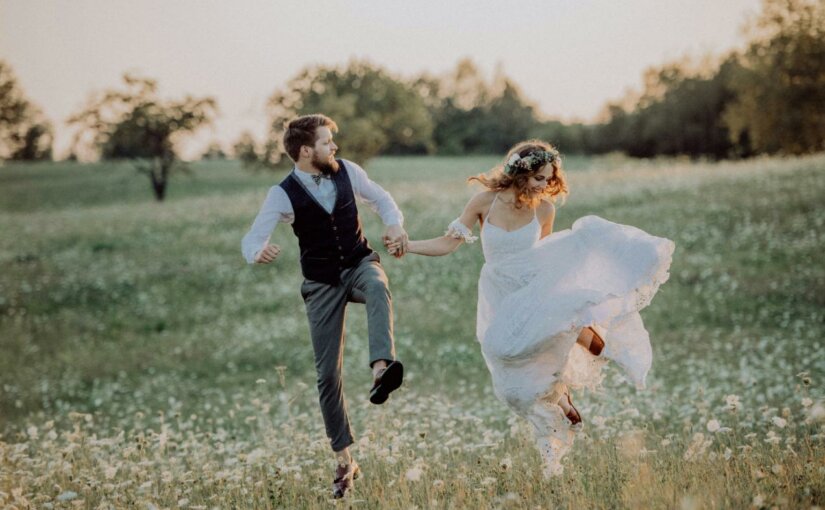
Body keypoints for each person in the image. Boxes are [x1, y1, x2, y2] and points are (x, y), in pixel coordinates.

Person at [391, 140, 674, 476]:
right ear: (520, 171)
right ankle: (562, 396)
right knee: (503, 355)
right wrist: (409, 246)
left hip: (532, 288)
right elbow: (449, 242)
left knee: (549, 341)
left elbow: (545, 255)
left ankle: (592, 344)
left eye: (548, 178)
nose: (544, 185)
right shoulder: (484, 201)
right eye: (539, 177)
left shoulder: (544, 209)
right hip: (499, 291)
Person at [241, 114, 408, 498]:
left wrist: (394, 223)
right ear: (305, 151)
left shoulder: (348, 170)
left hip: (359, 263)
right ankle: (345, 461)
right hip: (321, 284)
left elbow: (381, 198)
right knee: (327, 377)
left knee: (379, 286)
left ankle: (382, 369)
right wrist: (256, 252)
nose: (334, 147)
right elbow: (253, 236)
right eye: (326, 142)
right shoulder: (281, 193)